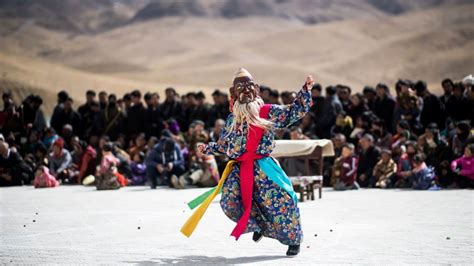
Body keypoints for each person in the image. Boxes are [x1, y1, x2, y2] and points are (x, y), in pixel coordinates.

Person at [181, 68, 314, 257]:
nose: (246, 90)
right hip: (240, 169)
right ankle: (257, 224)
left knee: (282, 200)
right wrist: (207, 148)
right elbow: (224, 145)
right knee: (229, 201)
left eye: (249, 85)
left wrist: (305, 92)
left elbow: (293, 112)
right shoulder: (231, 119)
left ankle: (293, 240)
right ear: (233, 92)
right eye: (240, 87)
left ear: (257, 89)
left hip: (263, 166)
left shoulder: (267, 112)